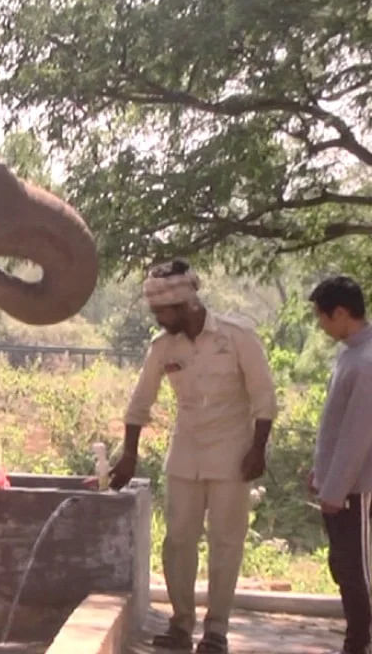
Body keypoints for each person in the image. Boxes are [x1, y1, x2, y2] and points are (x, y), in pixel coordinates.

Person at [107, 260, 277, 653]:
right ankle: (181, 623)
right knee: (178, 541)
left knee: (226, 542)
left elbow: (264, 397)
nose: (157, 318)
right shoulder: (163, 346)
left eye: (161, 312)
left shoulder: (236, 337)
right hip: (185, 453)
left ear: (185, 305)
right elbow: (140, 402)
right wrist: (128, 453)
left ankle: (216, 630)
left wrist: (258, 447)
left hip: (233, 454)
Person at [307, 275, 372, 654]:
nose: (320, 326)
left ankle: (359, 642)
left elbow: (356, 438)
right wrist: (322, 473)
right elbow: (335, 426)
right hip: (341, 484)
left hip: (357, 487)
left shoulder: (369, 362)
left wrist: (335, 489)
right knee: (341, 564)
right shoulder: (351, 353)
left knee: (354, 568)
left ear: (341, 313)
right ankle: (354, 638)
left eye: (322, 318)